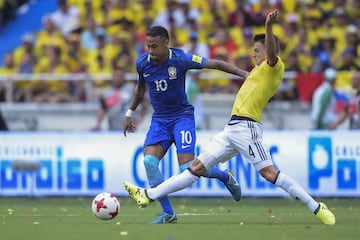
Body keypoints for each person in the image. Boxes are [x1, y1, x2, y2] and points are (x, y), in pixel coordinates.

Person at [124, 10, 336, 225]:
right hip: (231, 129)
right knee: (193, 169)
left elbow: (271, 53)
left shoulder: (274, 66)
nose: (254, 54)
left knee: (270, 174)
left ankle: (316, 207)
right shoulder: (256, 72)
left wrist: (268, 26)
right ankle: (148, 195)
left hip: (247, 128)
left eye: (257, 51)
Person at [123, 25, 247, 224]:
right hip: (160, 120)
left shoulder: (180, 59)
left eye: (154, 46)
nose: (151, 51)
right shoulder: (143, 64)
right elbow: (140, 90)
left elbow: (214, 64)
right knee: (149, 163)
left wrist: (244, 74)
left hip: (182, 117)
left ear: (166, 43)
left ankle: (225, 177)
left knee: (188, 168)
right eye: (148, 46)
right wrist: (129, 113)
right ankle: (168, 213)